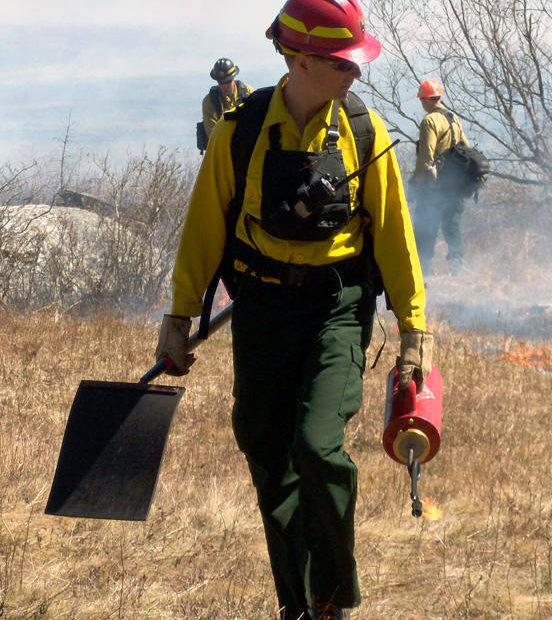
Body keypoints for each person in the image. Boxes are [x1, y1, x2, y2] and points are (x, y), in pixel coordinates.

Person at [156, 1, 431, 618]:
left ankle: (333, 597)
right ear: (301, 60)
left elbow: (394, 236)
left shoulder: (366, 132)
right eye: (342, 64)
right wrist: (178, 319)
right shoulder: (240, 130)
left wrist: (413, 328)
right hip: (261, 309)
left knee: (316, 446)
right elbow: (204, 229)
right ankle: (297, 603)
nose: (355, 75)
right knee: (266, 447)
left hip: (336, 309)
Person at [410, 79, 471, 275]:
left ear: (426, 100)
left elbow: (426, 157)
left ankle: (424, 270)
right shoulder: (453, 118)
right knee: (452, 224)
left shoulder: (430, 121)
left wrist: (417, 185)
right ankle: (457, 267)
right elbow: (467, 149)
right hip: (454, 184)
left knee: (425, 225)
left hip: (434, 186)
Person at [201, 57, 254, 143]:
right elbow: (213, 135)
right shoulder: (209, 101)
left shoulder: (249, 93)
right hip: (222, 148)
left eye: (228, 81)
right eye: (221, 82)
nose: (224, 86)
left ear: (234, 77)